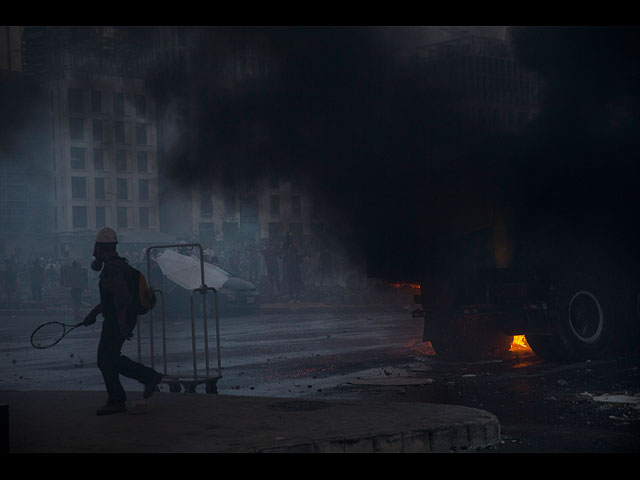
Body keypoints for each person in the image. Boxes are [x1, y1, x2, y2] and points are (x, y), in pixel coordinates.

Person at [82, 227, 164, 416]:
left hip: (118, 320)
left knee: (105, 359)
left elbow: (121, 298)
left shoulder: (112, 268)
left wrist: (121, 324)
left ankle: (125, 394)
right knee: (108, 359)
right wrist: (93, 314)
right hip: (120, 319)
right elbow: (110, 299)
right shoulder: (119, 265)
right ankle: (144, 380)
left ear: (99, 248)